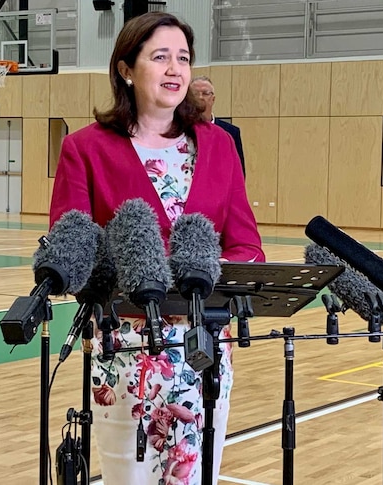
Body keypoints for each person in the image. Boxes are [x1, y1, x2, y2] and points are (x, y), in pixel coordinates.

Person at [48, 12, 264, 484]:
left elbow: (246, 242)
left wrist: (221, 276)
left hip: (204, 349)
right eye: (160, 57)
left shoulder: (220, 146)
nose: (175, 70)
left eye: (183, 58)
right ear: (126, 68)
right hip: (124, 351)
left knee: (194, 477)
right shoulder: (85, 148)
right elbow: (73, 244)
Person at [190, 75, 246, 176]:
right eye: (195, 94)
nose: (200, 97)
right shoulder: (179, 129)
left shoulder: (230, 132)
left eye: (205, 93)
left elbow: (239, 172)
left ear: (213, 99)